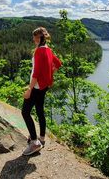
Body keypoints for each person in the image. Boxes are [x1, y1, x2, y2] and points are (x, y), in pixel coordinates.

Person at [21, 27, 62, 156]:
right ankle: (42, 138)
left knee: (25, 112)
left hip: (37, 87)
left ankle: (34, 143)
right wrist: (49, 74)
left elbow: (36, 73)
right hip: (44, 87)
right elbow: (58, 64)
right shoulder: (48, 50)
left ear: (39, 38)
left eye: (34, 37)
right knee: (39, 110)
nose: (33, 39)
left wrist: (29, 89)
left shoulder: (39, 51)